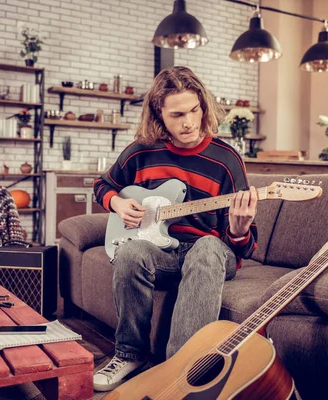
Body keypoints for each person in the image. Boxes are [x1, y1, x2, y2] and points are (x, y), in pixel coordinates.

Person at [92, 66, 258, 392]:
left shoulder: (226, 159)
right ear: (159, 116)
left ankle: (181, 367)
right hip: (162, 252)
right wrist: (117, 203)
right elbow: (103, 184)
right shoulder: (141, 152)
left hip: (210, 252)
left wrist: (239, 230)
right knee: (131, 251)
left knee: (207, 248)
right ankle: (130, 353)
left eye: (195, 110)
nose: (189, 122)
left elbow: (245, 248)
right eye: (178, 114)